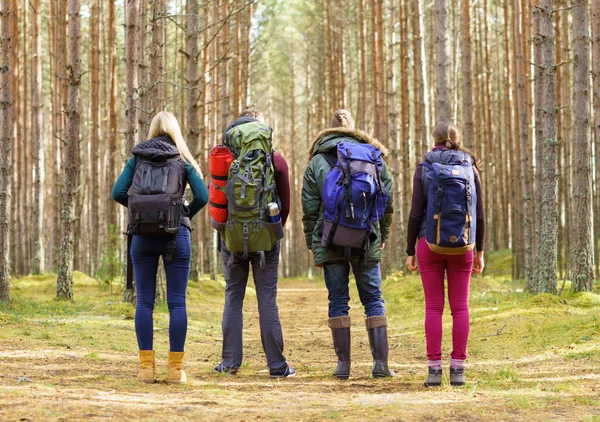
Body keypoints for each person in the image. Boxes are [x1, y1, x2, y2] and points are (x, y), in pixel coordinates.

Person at [112, 111, 208, 384]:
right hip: (176, 236)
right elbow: (202, 195)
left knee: (144, 302)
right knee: (176, 303)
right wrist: (184, 212)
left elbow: (118, 192)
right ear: (175, 131)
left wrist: (141, 212)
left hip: (141, 237)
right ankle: (175, 371)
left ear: (153, 130)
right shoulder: (182, 160)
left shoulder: (137, 160)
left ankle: (146, 369)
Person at [301, 109, 394, 379]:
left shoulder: (317, 161)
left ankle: (343, 367)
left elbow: (309, 209)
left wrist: (314, 246)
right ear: (354, 129)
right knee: (373, 299)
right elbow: (387, 204)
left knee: (338, 300)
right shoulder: (374, 156)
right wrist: (383, 236)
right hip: (367, 237)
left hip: (330, 239)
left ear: (328, 131)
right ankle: (381, 365)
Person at [214, 108, 295, 378]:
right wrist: (272, 230)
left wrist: (226, 232)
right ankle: (277, 366)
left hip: (232, 237)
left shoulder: (224, 161)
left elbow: (217, 202)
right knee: (267, 299)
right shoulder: (275, 160)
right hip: (266, 239)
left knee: (233, 296)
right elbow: (286, 204)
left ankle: (229, 364)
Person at [405, 122, 485, 387]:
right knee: (460, 307)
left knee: (434, 307)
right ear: (457, 139)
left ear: (434, 140)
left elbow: (416, 213)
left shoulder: (425, 167)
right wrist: (480, 250)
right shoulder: (470, 167)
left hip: (429, 243)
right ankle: (458, 370)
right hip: (463, 245)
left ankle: (434, 370)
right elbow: (480, 214)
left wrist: (409, 250)